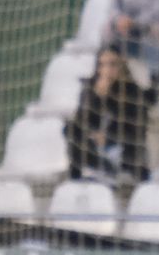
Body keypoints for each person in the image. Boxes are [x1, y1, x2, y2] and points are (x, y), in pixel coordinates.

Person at [65, 45, 154, 182]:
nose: (107, 70)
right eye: (102, 65)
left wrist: (108, 137)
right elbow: (82, 123)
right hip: (96, 153)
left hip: (124, 153)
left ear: (121, 66)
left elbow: (137, 132)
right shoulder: (91, 89)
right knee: (70, 129)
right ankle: (78, 178)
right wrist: (97, 97)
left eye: (112, 65)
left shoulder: (133, 92)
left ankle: (118, 176)